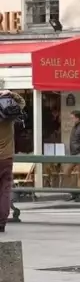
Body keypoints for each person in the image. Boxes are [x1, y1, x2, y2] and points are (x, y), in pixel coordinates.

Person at [0, 90, 25, 232]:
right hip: (7, 158)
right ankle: (2, 221)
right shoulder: (9, 116)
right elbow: (22, 103)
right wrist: (10, 93)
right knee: (4, 191)